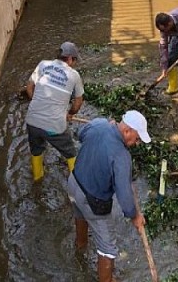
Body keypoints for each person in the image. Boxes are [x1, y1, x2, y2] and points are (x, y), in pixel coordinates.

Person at [67, 110, 151, 282]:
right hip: (92, 200)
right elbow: (125, 196)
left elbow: (80, 134)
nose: (136, 143)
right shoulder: (121, 156)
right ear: (127, 130)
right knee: (108, 248)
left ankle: (80, 246)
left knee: (80, 215)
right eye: (137, 138)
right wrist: (134, 215)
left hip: (74, 184)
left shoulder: (99, 124)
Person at [25, 42, 84, 182]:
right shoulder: (74, 75)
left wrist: (38, 102)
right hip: (54, 127)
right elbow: (78, 102)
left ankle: (37, 178)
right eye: (74, 60)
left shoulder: (43, 65)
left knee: (36, 150)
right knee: (70, 152)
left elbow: (29, 88)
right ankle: (77, 184)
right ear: (70, 59)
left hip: (32, 121)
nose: (74, 63)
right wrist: (70, 114)